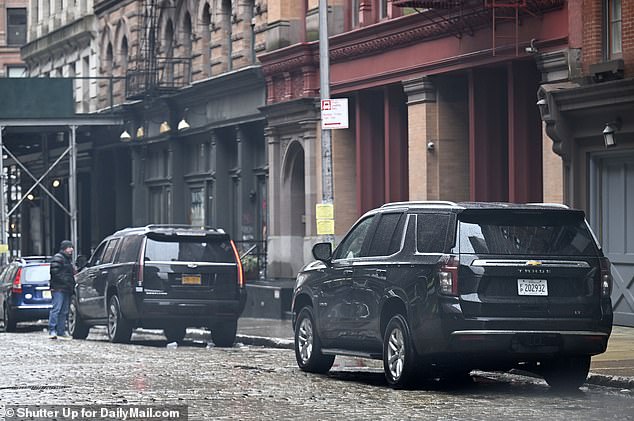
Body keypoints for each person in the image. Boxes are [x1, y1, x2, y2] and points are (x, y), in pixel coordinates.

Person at [48, 240, 76, 339]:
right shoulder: (58, 258)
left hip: (65, 289)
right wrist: (66, 281)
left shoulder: (67, 259)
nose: (71, 249)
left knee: (64, 311)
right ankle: (52, 330)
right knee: (56, 309)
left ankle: (61, 331)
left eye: (72, 247)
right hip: (58, 288)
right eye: (69, 247)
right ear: (65, 248)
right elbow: (55, 272)